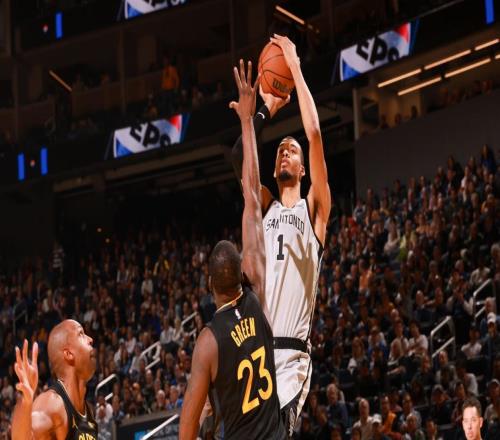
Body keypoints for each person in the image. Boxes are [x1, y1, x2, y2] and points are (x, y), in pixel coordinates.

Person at [231, 34, 331, 435]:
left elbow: (315, 133)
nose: (285, 152)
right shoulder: (264, 206)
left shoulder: (314, 210)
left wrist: (295, 68)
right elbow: (239, 157)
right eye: (280, 151)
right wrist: (263, 112)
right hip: (256, 354)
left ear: (303, 169)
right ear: (273, 169)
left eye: (292, 150)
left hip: (291, 359)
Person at [179, 60, 284, 439]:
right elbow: (253, 197)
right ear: (242, 271)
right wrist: (248, 120)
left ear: (210, 285)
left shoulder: (208, 342)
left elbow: (186, 428)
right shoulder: (257, 294)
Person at [11, 320, 97, 439]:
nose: (90, 339)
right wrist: (26, 402)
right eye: (81, 334)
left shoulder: (89, 411)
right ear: (69, 354)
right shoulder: (53, 404)